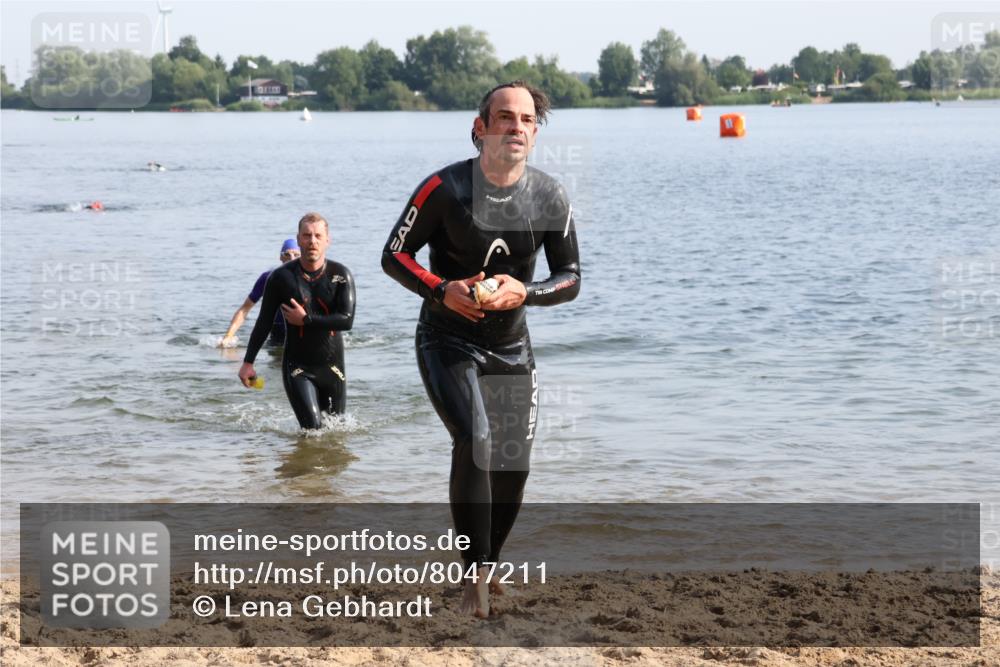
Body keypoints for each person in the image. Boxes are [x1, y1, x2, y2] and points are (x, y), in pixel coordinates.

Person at [381, 81, 581, 617]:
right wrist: (439, 288)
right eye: (505, 118)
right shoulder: (443, 188)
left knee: (514, 466)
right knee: (477, 439)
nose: (516, 127)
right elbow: (394, 255)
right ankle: (472, 579)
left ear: (535, 134)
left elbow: (571, 276)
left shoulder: (549, 196)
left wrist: (528, 293)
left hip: (512, 347)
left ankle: (489, 567)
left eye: (526, 121)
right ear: (480, 129)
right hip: (446, 339)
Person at [239, 213, 356, 429]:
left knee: (336, 432)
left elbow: (346, 321)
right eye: (307, 235)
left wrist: (307, 320)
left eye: (318, 235)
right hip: (298, 367)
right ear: (299, 238)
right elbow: (263, 322)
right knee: (312, 429)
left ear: (327, 240)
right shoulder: (280, 278)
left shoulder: (340, 275)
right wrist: (248, 363)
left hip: (333, 368)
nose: (312, 241)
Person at [220, 239, 301, 348]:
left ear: (302, 257)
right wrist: (228, 335)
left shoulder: (309, 279)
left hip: (302, 332)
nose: (291, 258)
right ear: (281, 257)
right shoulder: (268, 278)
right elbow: (245, 309)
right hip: (277, 333)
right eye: (287, 254)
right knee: (275, 363)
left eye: (296, 255)